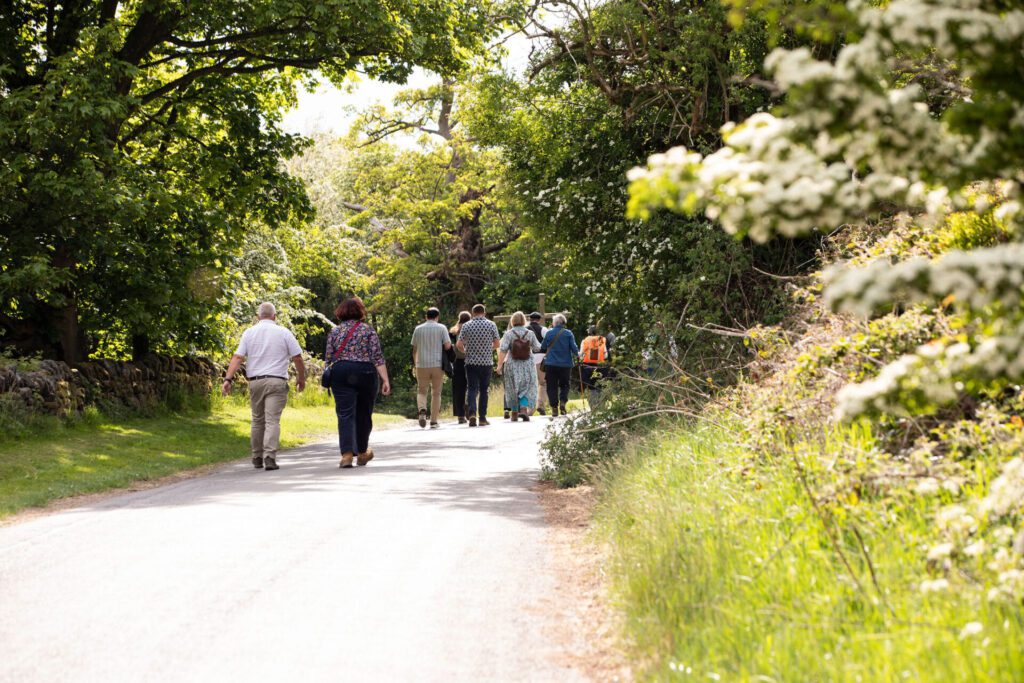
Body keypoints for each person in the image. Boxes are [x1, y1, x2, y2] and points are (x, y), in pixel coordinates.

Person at [222, 302, 306, 471]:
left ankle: (256, 456)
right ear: (275, 317)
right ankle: (269, 456)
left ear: (258, 317)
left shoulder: (249, 332)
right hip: (277, 381)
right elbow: (297, 357)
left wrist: (228, 379)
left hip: (256, 381)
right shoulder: (284, 332)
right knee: (272, 421)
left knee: (257, 420)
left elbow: (238, 357)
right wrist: (301, 377)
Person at [325, 296, 391, 468]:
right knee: (364, 413)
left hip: (341, 372)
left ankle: (346, 455)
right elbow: (377, 357)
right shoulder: (368, 331)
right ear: (360, 312)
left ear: (341, 312)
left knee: (345, 414)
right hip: (365, 372)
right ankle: (362, 452)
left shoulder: (335, 331)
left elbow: (329, 358)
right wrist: (385, 379)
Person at [456, 303, 500, 427]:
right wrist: (487, 349)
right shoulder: (491, 324)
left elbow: (459, 344)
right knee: (484, 390)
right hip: (486, 363)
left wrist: (466, 351)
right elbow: (497, 344)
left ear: (473, 313)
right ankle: (482, 418)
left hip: (470, 362)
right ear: (484, 313)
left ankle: (472, 414)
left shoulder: (466, 325)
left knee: (471, 388)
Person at [497, 311, 541, 422]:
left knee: (512, 387)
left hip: (512, 363)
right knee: (527, 387)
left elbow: (503, 350)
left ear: (513, 321)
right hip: (527, 364)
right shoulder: (530, 333)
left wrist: (499, 365)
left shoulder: (508, 334)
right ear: (523, 321)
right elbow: (537, 348)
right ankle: (524, 410)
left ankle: (514, 413)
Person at [411, 307, 451, 429]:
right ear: (437, 316)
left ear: (426, 316)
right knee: (436, 392)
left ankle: (422, 411)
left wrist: (415, 363)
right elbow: (448, 345)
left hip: (421, 364)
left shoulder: (418, 329)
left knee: (422, 390)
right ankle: (433, 421)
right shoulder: (442, 328)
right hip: (437, 364)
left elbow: (414, 349)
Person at [540, 314, 579, 417]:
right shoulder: (568, 333)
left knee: (551, 386)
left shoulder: (549, 333)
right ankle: (562, 401)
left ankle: (554, 408)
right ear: (563, 323)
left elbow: (543, 347)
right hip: (565, 365)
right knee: (565, 385)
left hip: (551, 364)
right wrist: (578, 355)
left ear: (555, 323)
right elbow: (574, 349)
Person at [449, 311, 471, 424]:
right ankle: (468, 403)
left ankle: (460, 416)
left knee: (458, 389)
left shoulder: (453, 331)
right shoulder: (472, 329)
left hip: (457, 362)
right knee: (472, 386)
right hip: (471, 360)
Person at [580, 325, 609, 401]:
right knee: (599, 385)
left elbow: (581, 355)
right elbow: (606, 355)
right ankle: (599, 403)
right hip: (599, 366)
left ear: (589, 332)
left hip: (587, 367)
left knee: (590, 385)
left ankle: (593, 404)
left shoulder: (584, 341)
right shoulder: (602, 340)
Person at [527, 312, 549, 416]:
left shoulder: (524, 329)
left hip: (527, 358)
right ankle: (540, 404)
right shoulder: (543, 329)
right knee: (542, 382)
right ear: (539, 320)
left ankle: (529, 410)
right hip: (540, 357)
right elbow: (550, 340)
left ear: (529, 319)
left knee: (530, 384)